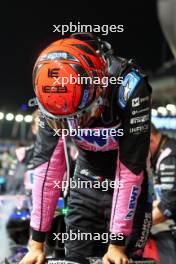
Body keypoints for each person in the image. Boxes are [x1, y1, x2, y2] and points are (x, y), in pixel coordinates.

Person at [20, 33, 152, 264]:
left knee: (122, 259)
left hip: (129, 181)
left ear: (100, 88)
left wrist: (117, 244)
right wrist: (36, 243)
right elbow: (47, 169)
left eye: (78, 117)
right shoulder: (51, 92)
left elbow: (131, 170)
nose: (71, 126)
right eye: (61, 120)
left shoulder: (129, 86)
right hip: (86, 180)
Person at [150, 124, 176, 264]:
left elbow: (169, 204)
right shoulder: (166, 150)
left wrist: (142, 226)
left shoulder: (168, 156)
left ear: (150, 139)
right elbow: (163, 199)